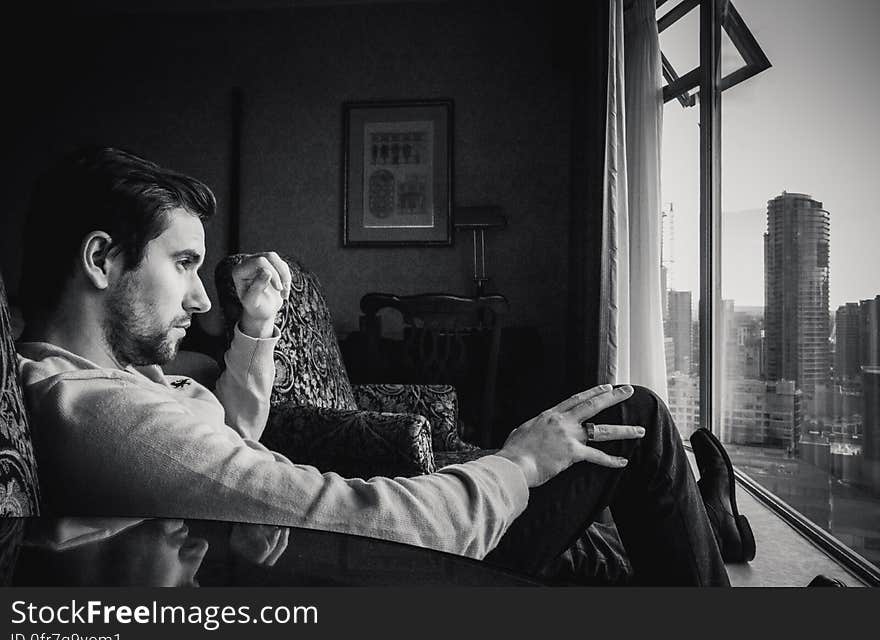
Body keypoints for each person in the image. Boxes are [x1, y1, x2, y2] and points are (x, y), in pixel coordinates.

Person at [15, 146, 747, 585]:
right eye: (183, 264)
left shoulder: (127, 379)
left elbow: (233, 429)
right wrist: (516, 465)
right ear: (101, 258)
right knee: (632, 418)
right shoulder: (102, 411)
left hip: (364, 551)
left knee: (600, 526)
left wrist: (259, 323)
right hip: (394, 570)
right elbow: (339, 519)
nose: (203, 294)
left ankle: (706, 532)